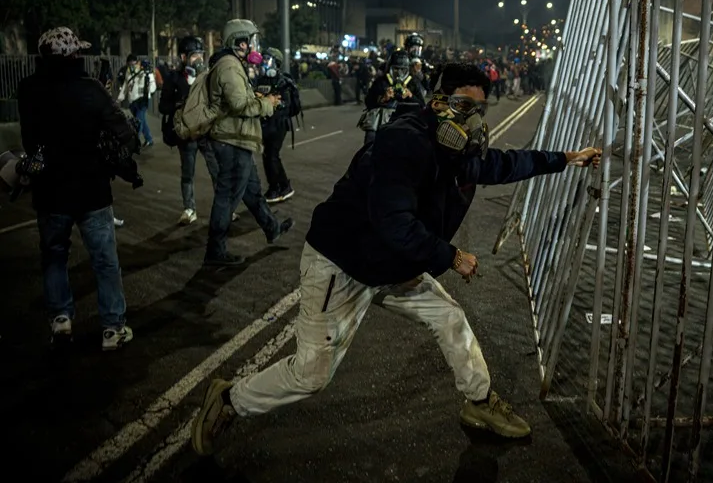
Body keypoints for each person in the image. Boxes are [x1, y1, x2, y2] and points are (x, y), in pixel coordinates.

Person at [190, 63, 601, 456]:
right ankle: (230, 399)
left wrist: (565, 158)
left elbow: (505, 163)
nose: (473, 120)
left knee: (449, 317)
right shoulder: (403, 142)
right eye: (463, 106)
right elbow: (394, 222)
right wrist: (451, 256)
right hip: (344, 263)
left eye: (479, 110)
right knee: (311, 375)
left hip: (393, 264)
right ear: (438, 102)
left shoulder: (456, 151)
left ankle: (478, 400)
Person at [17, 27, 137, 350]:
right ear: (73, 56)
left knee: (54, 256)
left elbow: (30, 142)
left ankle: (60, 319)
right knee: (104, 260)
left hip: (50, 191)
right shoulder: (91, 89)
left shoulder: (28, 89)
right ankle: (112, 328)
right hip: (92, 190)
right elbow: (123, 132)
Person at [203, 19, 294, 267]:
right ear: (239, 42)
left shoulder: (234, 65)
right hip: (231, 141)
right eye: (249, 41)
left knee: (252, 192)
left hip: (239, 139)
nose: (253, 46)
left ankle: (271, 227)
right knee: (228, 197)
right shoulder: (229, 67)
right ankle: (215, 251)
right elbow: (240, 105)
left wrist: (260, 97)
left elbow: (240, 97)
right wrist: (268, 104)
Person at [159, 36, 220, 225]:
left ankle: (224, 209)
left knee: (217, 171)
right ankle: (189, 209)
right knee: (187, 173)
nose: (199, 59)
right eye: (195, 55)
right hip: (186, 135)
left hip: (207, 132)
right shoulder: (174, 78)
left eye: (201, 54)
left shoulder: (207, 77)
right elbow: (163, 106)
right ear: (184, 57)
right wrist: (181, 104)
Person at [257, 47, 301, 204]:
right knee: (269, 156)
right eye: (263, 59)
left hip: (278, 124)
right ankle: (281, 186)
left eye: (267, 60)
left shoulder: (283, 81)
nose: (264, 63)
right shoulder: (261, 80)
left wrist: (274, 102)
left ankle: (278, 187)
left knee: (271, 155)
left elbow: (286, 105)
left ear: (276, 63)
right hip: (266, 123)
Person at [117, 55, 156, 147]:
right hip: (132, 101)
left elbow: (152, 85)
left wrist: (147, 74)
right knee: (142, 121)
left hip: (142, 101)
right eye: (130, 64)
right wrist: (119, 99)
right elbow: (125, 86)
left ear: (137, 63)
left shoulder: (144, 71)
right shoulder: (127, 72)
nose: (132, 66)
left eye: (134, 63)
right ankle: (149, 139)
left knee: (138, 121)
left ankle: (135, 142)